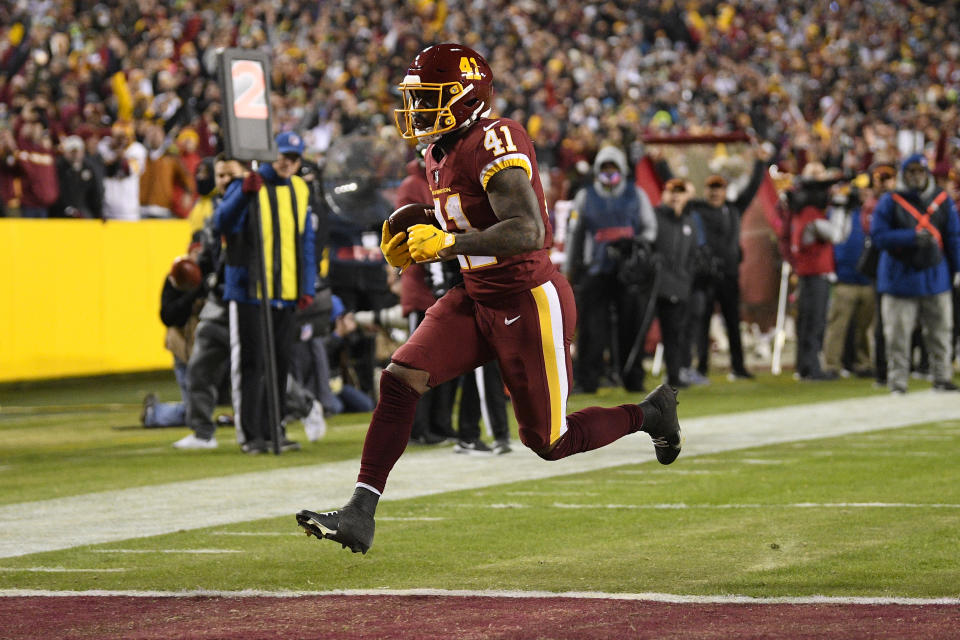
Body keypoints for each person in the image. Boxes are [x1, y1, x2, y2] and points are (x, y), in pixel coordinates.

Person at [296, 43, 681, 554]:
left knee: (550, 441)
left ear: (464, 98)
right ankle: (360, 513)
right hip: (476, 295)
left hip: (527, 299)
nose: (418, 111)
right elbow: (468, 216)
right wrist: (414, 226)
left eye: (429, 98)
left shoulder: (495, 138)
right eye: (416, 99)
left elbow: (528, 228)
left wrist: (449, 244)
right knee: (399, 379)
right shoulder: (437, 152)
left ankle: (650, 415)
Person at [214, 132, 317, 454]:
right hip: (250, 291)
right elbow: (221, 223)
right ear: (271, 155)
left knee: (281, 364)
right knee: (251, 364)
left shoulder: (300, 189)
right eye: (284, 155)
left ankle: (275, 428)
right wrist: (244, 194)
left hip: (286, 291)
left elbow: (306, 241)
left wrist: (306, 285)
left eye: (296, 158)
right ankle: (250, 434)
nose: (289, 162)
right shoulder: (248, 184)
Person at [565, 145, 657, 393]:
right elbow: (574, 235)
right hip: (596, 270)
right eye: (604, 168)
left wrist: (635, 244)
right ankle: (588, 380)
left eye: (613, 168)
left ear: (622, 170)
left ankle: (632, 378)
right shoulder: (585, 197)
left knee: (631, 326)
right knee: (592, 329)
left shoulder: (636, 195)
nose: (609, 173)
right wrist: (568, 270)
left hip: (628, 273)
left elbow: (650, 229)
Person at [871, 153, 960, 394]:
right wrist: (910, 238)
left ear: (927, 173)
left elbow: (953, 237)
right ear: (904, 174)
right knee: (897, 336)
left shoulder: (942, 200)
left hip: (935, 275)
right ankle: (898, 381)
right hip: (900, 277)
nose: (916, 177)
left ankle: (942, 376)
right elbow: (878, 236)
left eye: (920, 172)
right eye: (911, 172)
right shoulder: (891, 201)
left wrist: (957, 269)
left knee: (941, 331)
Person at [687, 170, 761, 380]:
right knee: (702, 324)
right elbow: (676, 191)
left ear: (725, 191)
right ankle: (701, 368)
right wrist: (661, 164)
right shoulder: (697, 208)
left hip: (729, 276)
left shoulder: (734, 209)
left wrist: (761, 163)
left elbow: (752, 188)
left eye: (719, 188)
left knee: (733, 323)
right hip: (705, 276)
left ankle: (738, 367)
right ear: (706, 190)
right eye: (712, 188)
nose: (715, 192)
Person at [786, 163, 839, 381]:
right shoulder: (810, 212)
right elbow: (835, 235)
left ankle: (804, 366)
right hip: (814, 273)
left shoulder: (800, 210)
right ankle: (811, 368)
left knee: (807, 321)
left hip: (808, 272)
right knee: (814, 322)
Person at [821, 181, 875, 378]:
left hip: (867, 279)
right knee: (837, 325)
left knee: (864, 328)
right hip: (844, 278)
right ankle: (831, 365)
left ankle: (863, 363)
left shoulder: (871, 214)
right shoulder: (837, 214)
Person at [652, 178, 702, 389]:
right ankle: (627, 375)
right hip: (654, 286)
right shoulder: (655, 217)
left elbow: (692, 256)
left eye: (680, 192)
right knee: (637, 330)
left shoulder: (689, 222)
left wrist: (686, 279)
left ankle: (674, 375)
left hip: (679, 287)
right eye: (672, 191)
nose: (675, 196)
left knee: (675, 333)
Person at [140, 123, 193, 219]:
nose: (155, 136)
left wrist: (188, 193)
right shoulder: (140, 155)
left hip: (162, 209)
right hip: (142, 209)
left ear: (163, 136)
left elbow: (186, 176)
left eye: (158, 133)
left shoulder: (171, 157)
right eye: (151, 133)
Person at [98, 121, 146, 221]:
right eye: (118, 136)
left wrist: (120, 156)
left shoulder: (137, 149)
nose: (122, 140)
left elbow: (130, 170)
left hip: (129, 211)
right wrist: (114, 153)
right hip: (108, 210)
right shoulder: (104, 146)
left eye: (125, 136)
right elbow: (102, 169)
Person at [51, 135, 103, 219]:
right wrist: (67, 208)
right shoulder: (58, 167)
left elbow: (95, 192)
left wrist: (98, 212)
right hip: (61, 212)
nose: (75, 155)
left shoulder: (88, 168)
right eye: (72, 152)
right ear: (65, 152)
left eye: (77, 151)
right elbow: (57, 191)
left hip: (83, 210)